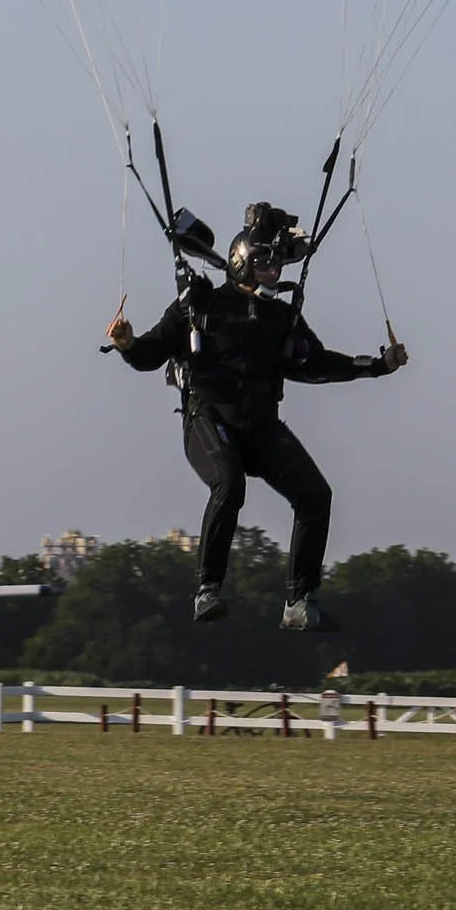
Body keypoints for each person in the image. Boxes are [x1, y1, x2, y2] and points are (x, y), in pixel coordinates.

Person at [107, 202, 407, 631]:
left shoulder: (282, 317)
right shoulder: (201, 303)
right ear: (242, 264)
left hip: (262, 427)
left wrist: (379, 366)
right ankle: (207, 589)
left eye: (277, 263)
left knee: (316, 496)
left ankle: (299, 602)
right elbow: (149, 355)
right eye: (265, 264)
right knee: (230, 483)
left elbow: (315, 364)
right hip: (208, 421)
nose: (274, 271)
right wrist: (127, 343)